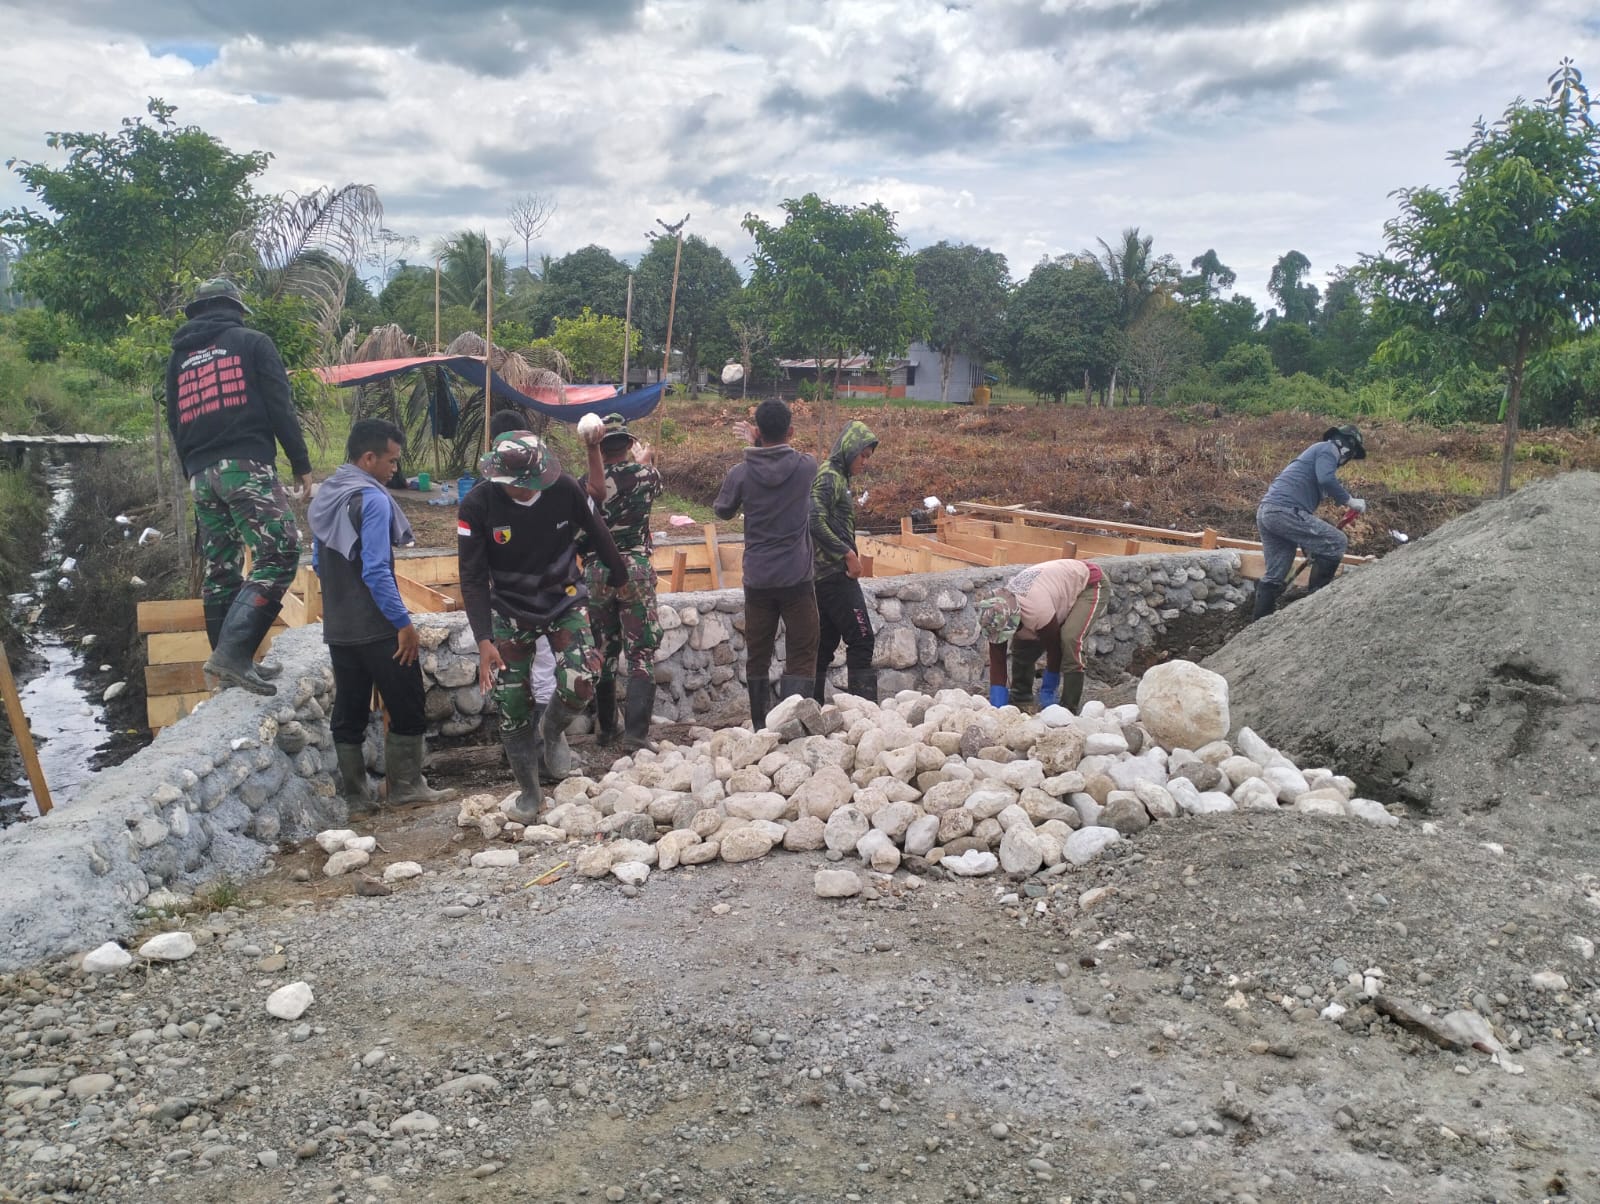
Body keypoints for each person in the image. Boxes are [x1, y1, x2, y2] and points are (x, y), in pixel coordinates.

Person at [458, 430, 628, 823]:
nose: (532, 488)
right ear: (503, 478)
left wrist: (620, 577)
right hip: (509, 610)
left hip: (563, 599)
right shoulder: (477, 505)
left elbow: (599, 533)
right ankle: (530, 794)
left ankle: (551, 730)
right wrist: (484, 639)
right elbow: (471, 576)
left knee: (582, 679)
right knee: (512, 705)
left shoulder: (564, 489)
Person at [165, 278, 312, 695]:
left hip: (200, 474)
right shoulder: (252, 342)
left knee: (221, 568)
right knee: (280, 551)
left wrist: (191, 471)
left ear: (198, 311)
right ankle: (232, 656)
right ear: (234, 309)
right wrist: (301, 463)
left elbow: (175, 420)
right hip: (244, 465)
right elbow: (279, 404)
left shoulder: (179, 358)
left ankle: (229, 667)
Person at [308, 418, 455, 810]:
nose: (395, 469)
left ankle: (357, 799)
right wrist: (403, 624)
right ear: (369, 458)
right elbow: (375, 570)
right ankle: (405, 788)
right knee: (407, 704)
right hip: (377, 628)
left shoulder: (328, 495)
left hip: (339, 628)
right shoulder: (372, 500)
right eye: (391, 461)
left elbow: (319, 564)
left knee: (350, 710)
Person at [713, 399, 819, 727]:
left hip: (758, 581)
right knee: (802, 653)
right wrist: (761, 444)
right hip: (797, 580)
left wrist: (755, 447)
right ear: (791, 431)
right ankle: (793, 726)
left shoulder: (741, 473)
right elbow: (784, 459)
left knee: (758, 656)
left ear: (757, 431)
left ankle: (761, 726)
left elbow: (723, 510)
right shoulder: (806, 467)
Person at [578, 413, 664, 752]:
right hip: (635, 571)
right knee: (641, 651)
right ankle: (636, 735)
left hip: (596, 571)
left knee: (604, 650)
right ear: (629, 443)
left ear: (599, 446)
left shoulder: (585, 482)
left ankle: (606, 729)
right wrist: (644, 461)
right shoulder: (648, 476)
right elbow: (647, 481)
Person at [1252, 424, 1367, 621]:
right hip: (1284, 511)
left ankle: (1259, 625)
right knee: (1336, 542)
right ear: (1348, 447)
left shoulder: (1314, 455)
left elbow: (1304, 525)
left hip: (1268, 512)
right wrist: (1349, 500)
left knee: (1276, 574)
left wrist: (1311, 546)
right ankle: (1315, 608)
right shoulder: (1328, 449)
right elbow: (1326, 479)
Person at [977, 559, 1108, 714]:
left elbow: (1054, 649)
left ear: (1015, 619)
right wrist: (997, 708)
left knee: (1069, 639)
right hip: (1052, 590)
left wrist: (1048, 690)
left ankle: (1069, 707)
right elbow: (997, 659)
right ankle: (1021, 698)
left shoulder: (1037, 612)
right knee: (1023, 647)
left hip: (1088, 583)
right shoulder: (995, 613)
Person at [810, 420, 879, 702]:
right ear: (849, 449)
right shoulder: (829, 477)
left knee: (823, 645)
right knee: (862, 639)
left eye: (868, 457)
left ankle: (810, 708)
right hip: (834, 573)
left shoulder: (837, 476)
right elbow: (814, 520)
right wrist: (847, 555)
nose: (864, 462)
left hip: (825, 574)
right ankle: (863, 711)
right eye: (862, 455)